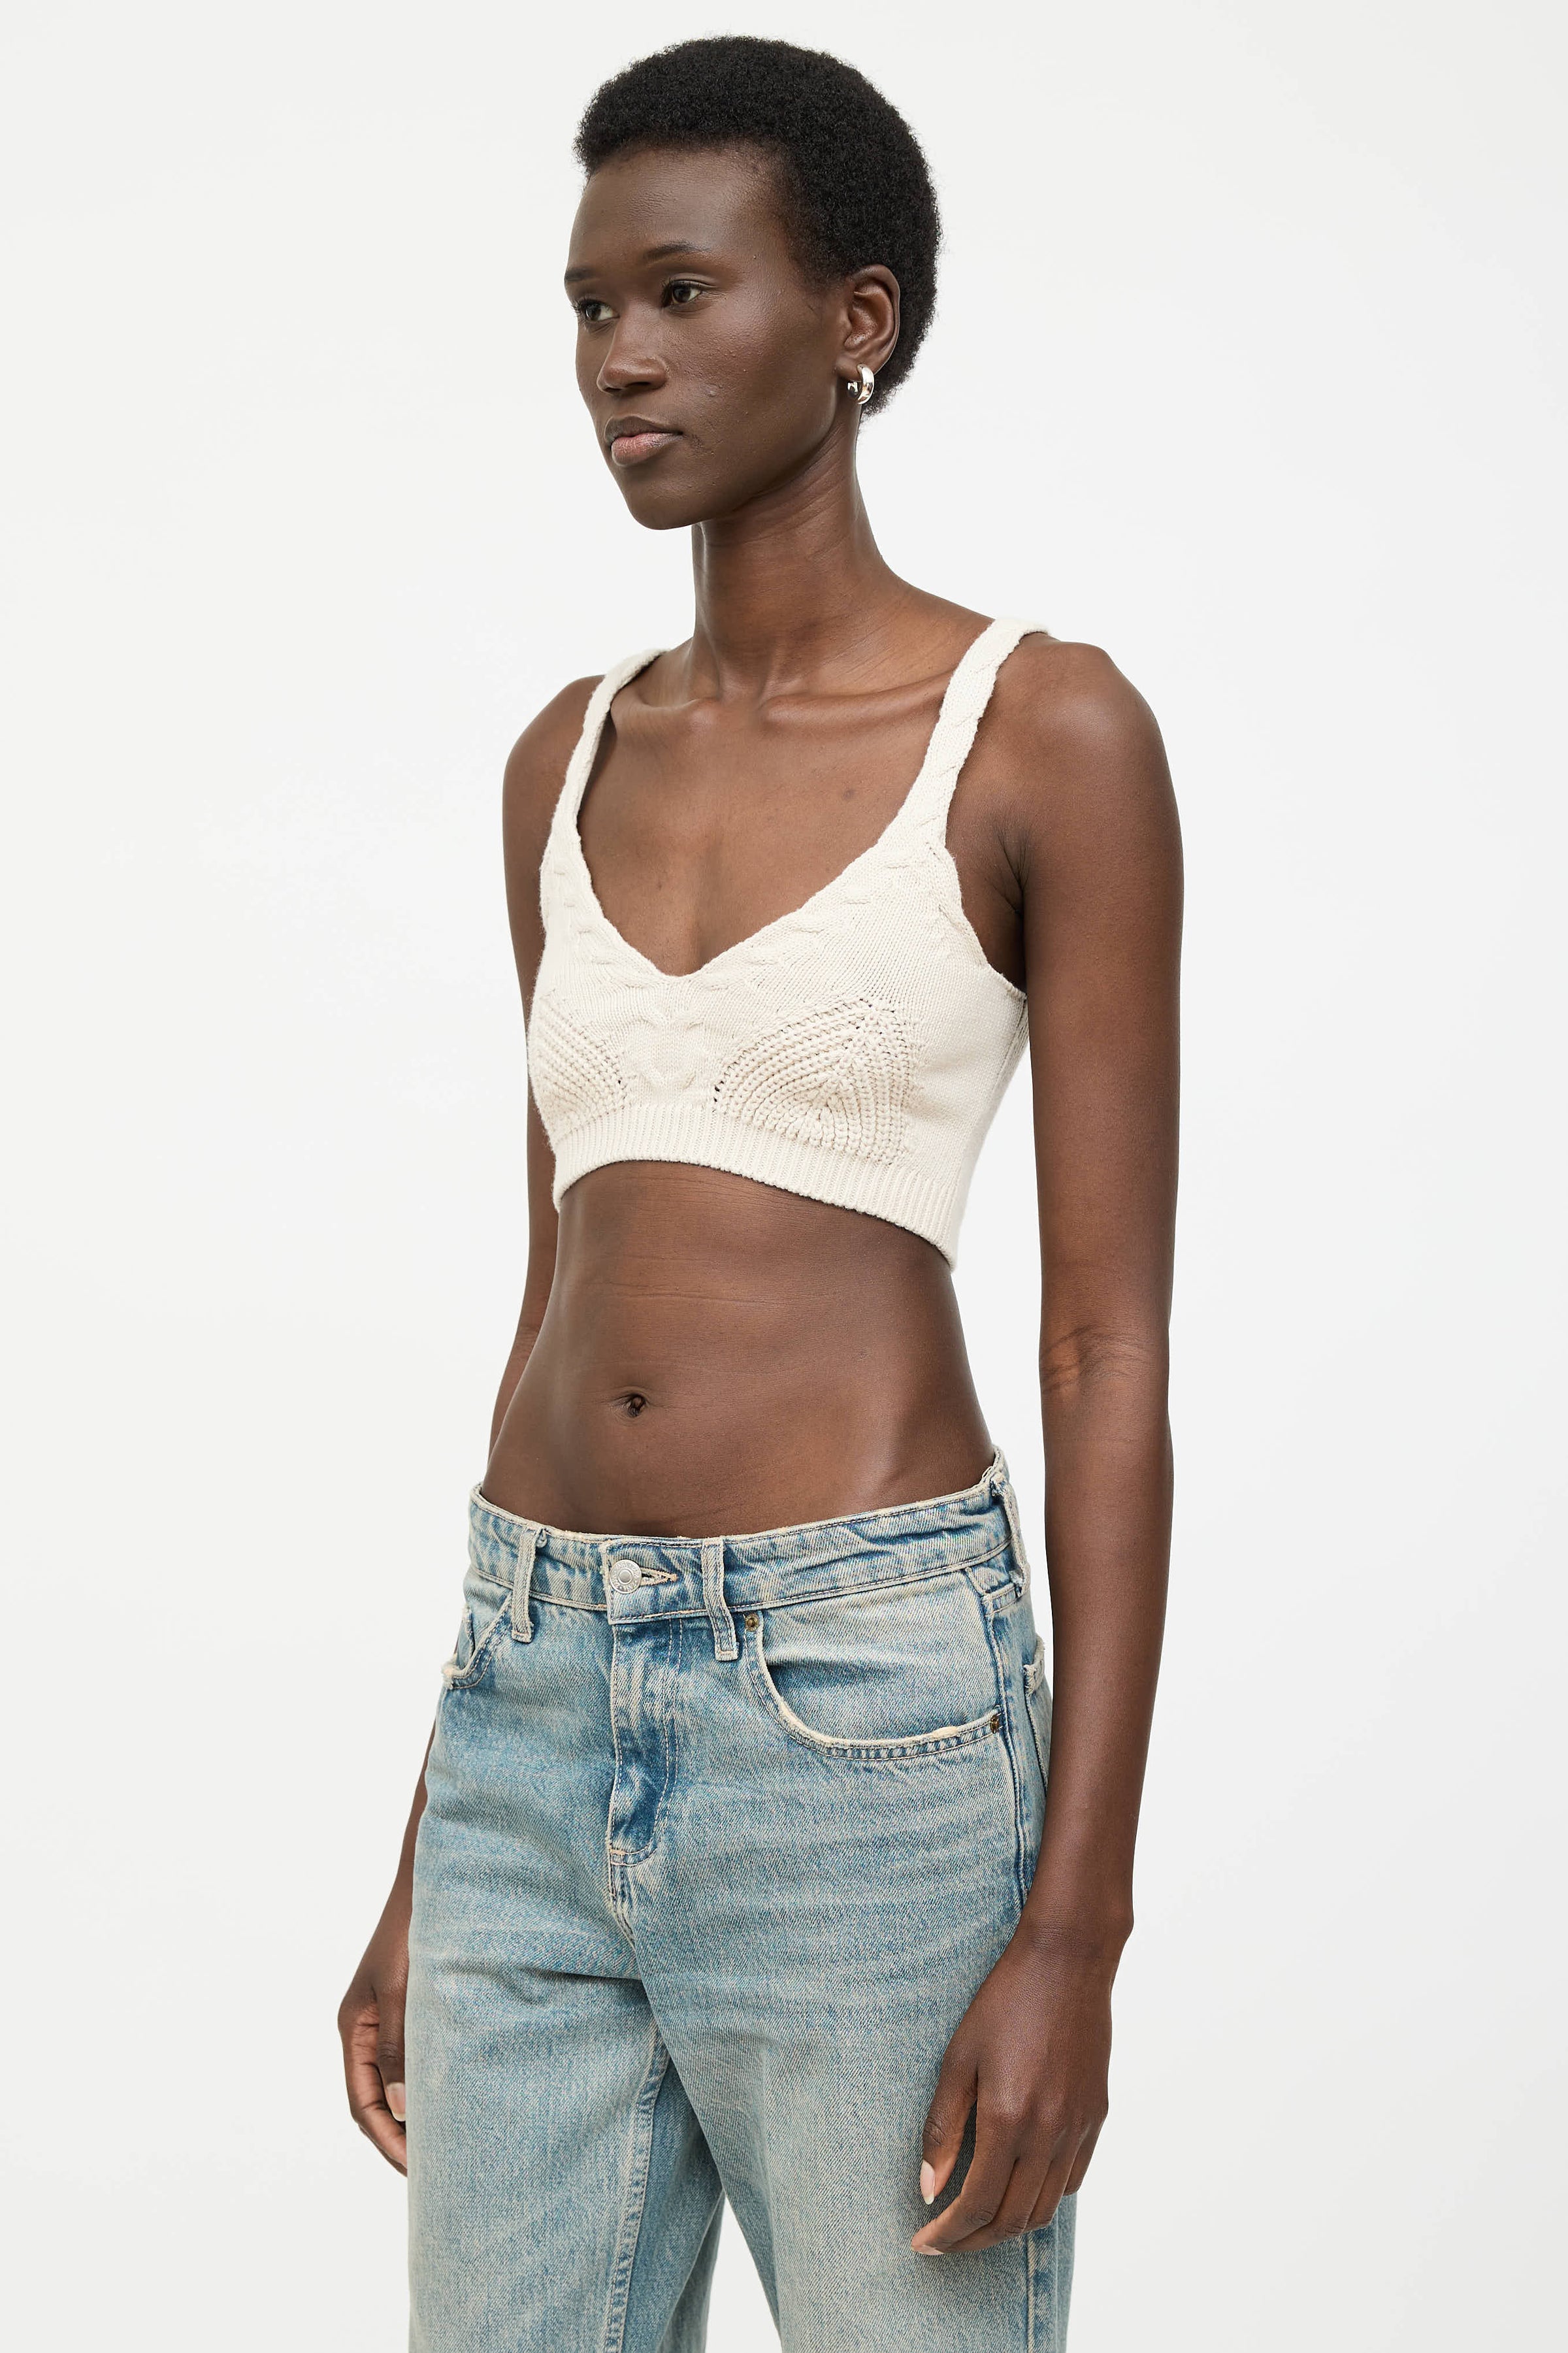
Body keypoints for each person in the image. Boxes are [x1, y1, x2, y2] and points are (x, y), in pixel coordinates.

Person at [338, 34, 1181, 2352]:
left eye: (680, 293)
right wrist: (436, 1832)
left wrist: (1078, 1928)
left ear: (856, 320)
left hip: (862, 1722)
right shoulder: (567, 754)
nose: (619, 356)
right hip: (529, 1702)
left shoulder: (1044, 732)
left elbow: (1107, 1345)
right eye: (590, 306)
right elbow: (555, 1290)